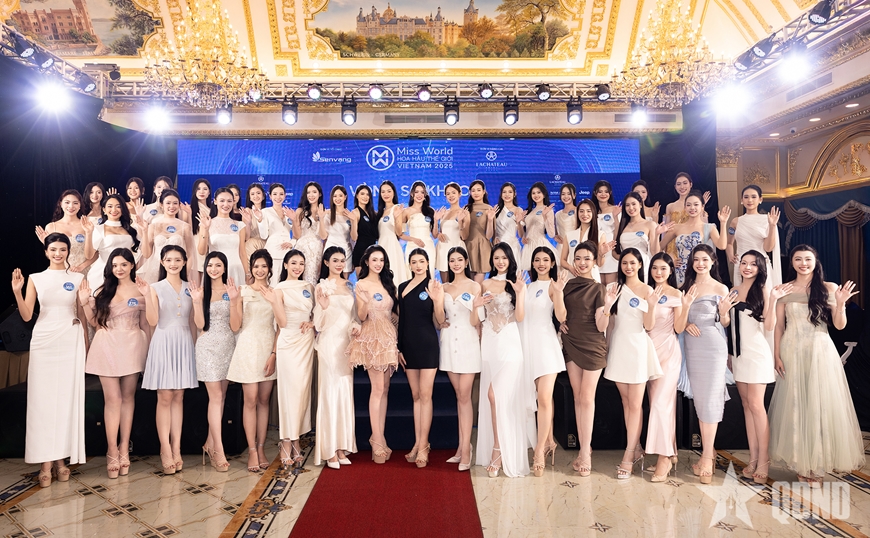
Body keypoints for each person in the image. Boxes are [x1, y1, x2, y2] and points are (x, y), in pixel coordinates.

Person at [768, 245, 864, 488]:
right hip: (791, 350)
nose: (803, 263)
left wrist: (840, 304)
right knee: (796, 405)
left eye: (808, 259)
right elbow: (778, 327)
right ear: (792, 262)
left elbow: (839, 325)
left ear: (815, 261)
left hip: (820, 350)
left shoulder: (828, 288)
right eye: (798, 259)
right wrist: (776, 355)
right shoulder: (784, 289)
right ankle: (801, 464)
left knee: (819, 406)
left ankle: (817, 465)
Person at [11, 234, 87, 487]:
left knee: (65, 401)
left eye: (62, 249)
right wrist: (18, 292)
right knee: (42, 402)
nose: (58, 253)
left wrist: (86, 345)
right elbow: (26, 315)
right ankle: (45, 463)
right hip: (44, 340)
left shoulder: (77, 278)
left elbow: (82, 313)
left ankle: (61, 460)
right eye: (53, 249)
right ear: (46, 251)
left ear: (68, 251)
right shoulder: (36, 278)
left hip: (70, 339)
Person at [80, 248, 148, 479]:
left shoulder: (141, 288)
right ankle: (111, 450)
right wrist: (84, 304)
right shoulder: (103, 290)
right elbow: (95, 323)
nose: (119, 269)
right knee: (113, 399)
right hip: (107, 345)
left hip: (132, 345)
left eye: (124, 264)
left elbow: (146, 323)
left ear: (132, 265)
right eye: (115, 265)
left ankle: (124, 447)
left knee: (128, 397)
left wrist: (150, 352)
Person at [674, 244, 737, 484]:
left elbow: (725, 322)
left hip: (713, 346)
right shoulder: (685, 287)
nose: (700, 264)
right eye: (696, 260)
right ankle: (705, 456)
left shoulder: (721, 287)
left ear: (712, 262)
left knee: (711, 399)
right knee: (701, 401)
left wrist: (724, 312)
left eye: (704, 259)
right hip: (692, 347)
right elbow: (678, 323)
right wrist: (687, 322)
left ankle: (708, 457)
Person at [603, 248, 663, 479]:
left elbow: (649, 325)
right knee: (626, 402)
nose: (628, 267)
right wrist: (607, 349)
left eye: (632, 263)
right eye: (624, 263)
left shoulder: (647, 290)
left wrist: (652, 305)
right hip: (619, 347)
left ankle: (628, 456)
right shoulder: (614, 288)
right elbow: (611, 324)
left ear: (640, 265)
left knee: (636, 404)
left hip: (638, 347)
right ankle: (636, 447)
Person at [138, 245, 198, 475]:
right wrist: (147, 296)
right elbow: (152, 321)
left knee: (179, 396)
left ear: (184, 262)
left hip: (184, 342)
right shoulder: (154, 288)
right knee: (164, 397)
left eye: (177, 259)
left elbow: (193, 321)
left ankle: (176, 447)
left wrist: (194, 348)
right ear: (162, 262)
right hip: (163, 341)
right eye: (169, 260)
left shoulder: (191, 287)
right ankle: (165, 448)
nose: (173, 263)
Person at [475, 243, 530, 478]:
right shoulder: (484, 284)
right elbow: (478, 318)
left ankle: (498, 449)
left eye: (504, 258)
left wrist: (520, 293)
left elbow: (520, 317)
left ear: (510, 260)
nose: (500, 261)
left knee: (494, 395)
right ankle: (500, 445)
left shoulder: (515, 283)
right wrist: (476, 306)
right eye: (496, 257)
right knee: (497, 400)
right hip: (489, 344)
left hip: (509, 343)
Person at [729, 250, 782, 484]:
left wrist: (774, 299)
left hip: (757, 354)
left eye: (753, 264)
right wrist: (730, 354)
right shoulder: (732, 290)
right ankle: (752, 458)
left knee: (757, 406)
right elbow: (729, 325)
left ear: (760, 268)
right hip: (738, 355)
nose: (747, 267)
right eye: (744, 263)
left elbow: (769, 326)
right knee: (746, 405)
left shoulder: (764, 291)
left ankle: (763, 460)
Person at [561, 241, 613, 476]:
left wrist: (608, 307)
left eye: (587, 259)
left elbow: (601, 326)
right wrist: (559, 323)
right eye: (578, 258)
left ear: (594, 262)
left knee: (587, 397)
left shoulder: (598, 288)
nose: (582, 263)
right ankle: (585, 448)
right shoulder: (566, 285)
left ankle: (584, 454)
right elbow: (559, 312)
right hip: (571, 342)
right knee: (577, 397)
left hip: (592, 345)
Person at [345, 245, 399, 464]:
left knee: (385, 389)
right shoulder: (361, 284)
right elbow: (361, 316)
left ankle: (380, 437)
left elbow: (392, 312)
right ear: (367, 261)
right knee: (377, 389)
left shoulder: (388, 283)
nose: (378, 263)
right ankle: (376, 440)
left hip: (388, 337)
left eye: (381, 260)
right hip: (372, 338)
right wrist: (365, 302)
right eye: (374, 259)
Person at [263, 250, 316, 467]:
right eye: (293, 263)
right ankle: (286, 440)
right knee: (288, 392)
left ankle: (296, 439)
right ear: (285, 265)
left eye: (301, 263)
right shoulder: (278, 289)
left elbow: (316, 314)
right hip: (288, 342)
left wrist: (312, 322)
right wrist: (274, 302)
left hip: (306, 342)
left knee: (302, 392)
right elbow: (282, 323)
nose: (297, 267)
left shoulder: (309, 287)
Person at [226, 249, 278, 472]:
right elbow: (235, 326)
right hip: (247, 346)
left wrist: (274, 354)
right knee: (250, 399)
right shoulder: (242, 291)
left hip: (267, 348)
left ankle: (261, 447)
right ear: (251, 269)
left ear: (269, 269)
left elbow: (279, 327)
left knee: (264, 400)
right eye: (256, 266)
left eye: (264, 266)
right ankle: (252, 451)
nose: (260, 270)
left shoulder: (275, 292)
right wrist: (233, 301)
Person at [190, 252, 240, 472]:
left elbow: (236, 326)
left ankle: (209, 443)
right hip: (207, 347)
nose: (213, 269)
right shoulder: (201, 292)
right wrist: (196, 302)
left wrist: (235, 300)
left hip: (228, 345)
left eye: (218, 265)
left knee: (222, 396)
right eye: (210, 265)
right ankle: (218, 449)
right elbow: (200, 324)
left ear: (224, 268)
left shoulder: (232, 291)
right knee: (216, 397)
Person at [521, 246, 567, 477]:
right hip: (528, 348)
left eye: (545, 260)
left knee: (544, 397)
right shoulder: (527, 287)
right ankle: (548, 441)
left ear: (552, 263)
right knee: (540, 398)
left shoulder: (553, 286)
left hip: (547, 347)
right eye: (537, 260)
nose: (541, 263)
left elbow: (561, 316)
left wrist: (558, 293)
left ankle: (539, 451)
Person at [398, 249, 445, 469]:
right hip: (408, 347)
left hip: (427, 345)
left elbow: (440, 320)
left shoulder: (434, 286)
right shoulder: (402, 287)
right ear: (409, 265)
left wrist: (436, 301)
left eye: (421, 261)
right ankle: (417, 443)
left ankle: (424, 445)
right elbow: (402, 321)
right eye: (414, 262)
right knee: (415, 396)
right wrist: (399, 348)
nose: (418, 265)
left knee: (426, 395)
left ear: (428, 264)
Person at [312, 247, 358, 469]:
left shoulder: (349, 286)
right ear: (326, 262)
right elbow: (319, 324)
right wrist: (323, 308)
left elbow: (352, 316)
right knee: (329, 393)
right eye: (335, 260)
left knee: (344, 392)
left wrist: (356, 327)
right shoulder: (321, 287)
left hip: (346, 345)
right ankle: (329, 450)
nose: (339, 264)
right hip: (329, 344)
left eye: (342, 260)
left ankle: (341, 447)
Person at [439, 247, 482, 471]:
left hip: (468, 342)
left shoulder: (475, 286)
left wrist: (476, 307)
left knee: (465, 395)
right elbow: (439, 319)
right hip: (448, 343)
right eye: (452, 260)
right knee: (459, 396)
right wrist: (436, 301)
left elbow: (476, 321)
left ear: (466, 262)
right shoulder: (444, 287)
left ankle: (466, 450)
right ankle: (461, 447)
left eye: (459, 260)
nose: (455, 264)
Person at [644, 253, 683, 481]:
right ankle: (671, 450)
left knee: (661, 404)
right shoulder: (647, 292)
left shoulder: (676, 294)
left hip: (669, 352)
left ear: (670, 271)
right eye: (655, 268)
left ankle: (664, 458)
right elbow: (646, 325)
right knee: (660, 405)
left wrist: (686, 306)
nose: (658, 273)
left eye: (663, 268)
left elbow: (679, 328)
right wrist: (650, 304)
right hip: (650, 353)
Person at [659, 191, 729, 286]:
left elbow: (722, 246)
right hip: (681, 274)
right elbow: (659, 247)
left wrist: (723, 223)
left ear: (702, 207)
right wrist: (669, 262)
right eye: (688, 205)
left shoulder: (709, 227)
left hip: (700, 271)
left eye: (696, 204)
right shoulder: (677, 227)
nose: (692, 208)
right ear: (685, 207)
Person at [726, 185, 782, 288]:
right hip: (741, 265)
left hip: (760, 264)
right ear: (742, 200)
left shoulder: (767, 220)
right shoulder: (735, 221)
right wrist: (730, 255)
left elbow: (768, 248)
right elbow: (729, 243)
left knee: (763, 295)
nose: (750, 200)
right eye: (746, 197)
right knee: (742, 295)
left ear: (760, 199)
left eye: (753, 197)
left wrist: (772, 226)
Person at [83, 193, 141, 291]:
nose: (114, 210)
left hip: (124, 273)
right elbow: (89, 256)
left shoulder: (131, 229)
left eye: (118, 206)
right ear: (104, 210)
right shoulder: (98, 229)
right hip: (102, 273)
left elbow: (143, 250)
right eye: (110, 206)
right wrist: (88, 233)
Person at [140, 190, 197, 285]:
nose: (172, 206)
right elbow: (146, 254)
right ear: (161, 204)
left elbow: (190, 255)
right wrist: (145, 232)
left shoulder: (185, 227)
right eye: (168, 203)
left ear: (179, 205)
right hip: (155, 271)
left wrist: (184, 275)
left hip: (176, 271)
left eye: (175, 203)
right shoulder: (153, 226)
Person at [35, 189, 96, 276]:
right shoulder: (51, 227)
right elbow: (50, 256)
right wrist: (47, 244)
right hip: (60, 272)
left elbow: (95, 254)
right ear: (61, 204)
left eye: (75, 203)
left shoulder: (87, 225)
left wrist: (81, 267)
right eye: (67, 202)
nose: (71, 206)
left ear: (80, 205)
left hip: (84, 273)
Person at [198, 188, 249, 285]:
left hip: (236, 269)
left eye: (229, 201)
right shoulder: (207, 223)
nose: (226, 204)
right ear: (215, 201)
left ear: (233, 202)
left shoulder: (240, 225)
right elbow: (202, 251)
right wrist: (205, 229)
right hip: (215, 271)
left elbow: (242, 253)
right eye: (222, 201)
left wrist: (247, 274)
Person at [612, 192, 671, 270]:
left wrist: (657, 235)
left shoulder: (650, 224)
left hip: (644, 268)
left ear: (640, 205)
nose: (631, 208)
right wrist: (626, 260)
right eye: (627, 205)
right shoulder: (620, 226)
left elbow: (655, 253)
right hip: (626, 269)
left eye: (633, 204)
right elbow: (614, 252)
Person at [560, 198, 611, 281]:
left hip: (592, 278)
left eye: (588, 211)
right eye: (581, 211)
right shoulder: (569, 235)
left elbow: (599, 264)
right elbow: (562, 260)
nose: (585, 214)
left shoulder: (600, 235)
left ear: (593, 213)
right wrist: (570, 268)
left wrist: (601, 254)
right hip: (573, 276)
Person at [662, 173, 711, 260]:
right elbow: (666, 230)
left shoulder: (697, 206)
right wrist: (664, 251)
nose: (682, 187)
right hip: (673, 247)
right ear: (675, 187)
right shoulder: (670, 206)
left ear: (690, 184)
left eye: (685, 183)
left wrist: (701, 207)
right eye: (679, 184)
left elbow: (704, 228)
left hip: (691, 244)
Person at [254, 183, 294, 286]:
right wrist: (260, 220)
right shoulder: (265, 212)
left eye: (281, 194)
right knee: (272, 282)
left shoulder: (289, 212)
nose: (278, 197)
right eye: (275, 194)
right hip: (273, 252)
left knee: (285, 283)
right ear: (270, 196)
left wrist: (292, 243)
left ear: (285, 195)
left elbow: (297, 233)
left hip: (287, 253)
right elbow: (263, 235)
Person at [398, 181, 439, 277]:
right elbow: (400, 234)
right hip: (412, 245)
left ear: (425, 195)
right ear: (412, 194)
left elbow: (435, 235)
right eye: (416, 192)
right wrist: (413, 239)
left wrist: (436, 220)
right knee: (411, 274)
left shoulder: (430, 211)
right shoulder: (406, 211)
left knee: (428, 274)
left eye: (422, 192)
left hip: (428, 246)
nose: (419, 195)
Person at [434, 182, 468, 283]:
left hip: (457, 247)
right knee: (445, 283)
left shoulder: (464, 212)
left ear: (459, 194)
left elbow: (464, 236)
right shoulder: (444, 212)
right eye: (448, 194)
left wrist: (460, 222)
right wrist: (436, 223)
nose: (451, 196)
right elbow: (436, 234)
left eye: (453, 192)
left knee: (458, 281)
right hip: (443, 249)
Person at [376, 181, 407, 287]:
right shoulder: (380, 211)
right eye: (383, 192)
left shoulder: (396, 208)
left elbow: (399, 232)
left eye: (389, 191)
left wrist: (396, 217)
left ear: (394, 193)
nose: (386, 194)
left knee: (393, 274)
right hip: (381, 245)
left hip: (392, 246)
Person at [292, 182, 325, 285]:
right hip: (302, 247)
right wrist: (294, 220)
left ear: (319, 194)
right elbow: (297, 235)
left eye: (314, 192)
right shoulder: (300, 211)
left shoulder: (325, 212)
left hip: (317, 249)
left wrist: (321, 218)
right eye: (308, 192)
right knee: (300, 275)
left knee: (315, 276)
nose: (311, 195)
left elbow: (323, 236)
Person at [519, 182, 555, 273]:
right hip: (528, 247)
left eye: (539, 192)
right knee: (532, 277)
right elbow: (526, 231)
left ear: (544, 194)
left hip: (540, 245)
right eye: (533, 193)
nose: (536, 195)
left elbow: (551, 234)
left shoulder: (547, 210)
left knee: (543, 275)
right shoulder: (529, 211)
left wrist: (545, 216)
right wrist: (523, 237)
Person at [464, 180, 493, 282]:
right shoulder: (466, 209)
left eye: (478, 190)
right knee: (469, 281)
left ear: (484, 192)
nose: (476, 193)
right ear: (470, 193)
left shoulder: (489, 209)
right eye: (473, 190)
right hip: (468, 245)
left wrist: (490, 220)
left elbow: (489, 235)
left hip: (483, 246)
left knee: (478, 282)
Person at [493, 182, 524, 277]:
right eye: (504, 192)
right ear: (501, 194)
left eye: (510, 192)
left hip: (512, 246)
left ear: (514, 194)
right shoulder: (496, 209)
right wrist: (494, 238)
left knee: (514, 274)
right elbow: (493, 229)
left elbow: (521, 235)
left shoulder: (518, 210)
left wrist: (518, 223)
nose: (507, 194)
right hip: (499, 246)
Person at [322, 186, 354, 276]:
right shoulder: (327, 214)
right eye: (335, 196)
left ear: (345, 197)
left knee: (344, 281)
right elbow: (323, 236)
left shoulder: (350, 215)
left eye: (340, 195)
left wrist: (354, 221)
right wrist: (321, 218)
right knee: (329, 279)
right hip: (330, 250)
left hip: (346, 251)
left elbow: (353, 237)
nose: (337, 198)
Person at [592, 180, 620, 284]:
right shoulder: (591, 211)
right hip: (596, 252)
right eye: (600, 191)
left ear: (610, 193)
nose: (603, 194)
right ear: (595, 193)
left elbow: (618, 230)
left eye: (606, 191)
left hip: (611, 251)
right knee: (598, 287)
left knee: (610, 286)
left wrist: (615, 248)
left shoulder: (615, 209)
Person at [349, 185, 378, 277]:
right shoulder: (355, 212)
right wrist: (353, 222)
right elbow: (354, 237)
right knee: (362, 282)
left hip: (373, 252)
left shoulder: (374, 213)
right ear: (357, 196)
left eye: (367, 194)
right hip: (361, 252)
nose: (365, 197)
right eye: (362, 194)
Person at [554, 184, 579, 279]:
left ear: (574, 195)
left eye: (569, 193)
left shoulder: (579, 211)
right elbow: (556, 233)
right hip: (561, 249)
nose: (566, 196)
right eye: (563, 194)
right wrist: (555, 237)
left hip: (574, 247)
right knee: (561, 278)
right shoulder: (557, 214)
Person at [241, 183, 268, 259]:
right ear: (250, 198)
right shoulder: (247, 211)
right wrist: (248, 223)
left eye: (258, 193)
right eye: (252, 194)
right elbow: (246, 237)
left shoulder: (268, 211)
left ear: (263, 196)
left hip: (267, 244)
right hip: (252, 245)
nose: (255, 196)